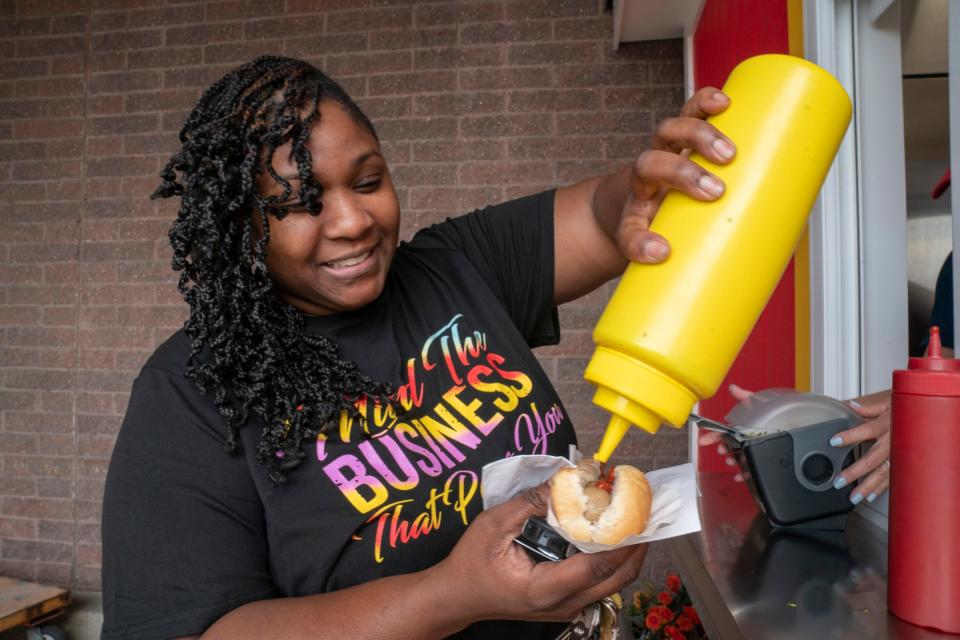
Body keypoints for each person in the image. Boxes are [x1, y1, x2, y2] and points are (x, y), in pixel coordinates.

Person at [100, 56, 737, 640]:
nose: (352, 221)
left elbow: (604, 218)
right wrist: (454, 594)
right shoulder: (191, 389)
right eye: (301, 202)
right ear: (242, 223)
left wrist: (640, 190)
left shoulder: (458, 266)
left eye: (368, 180)